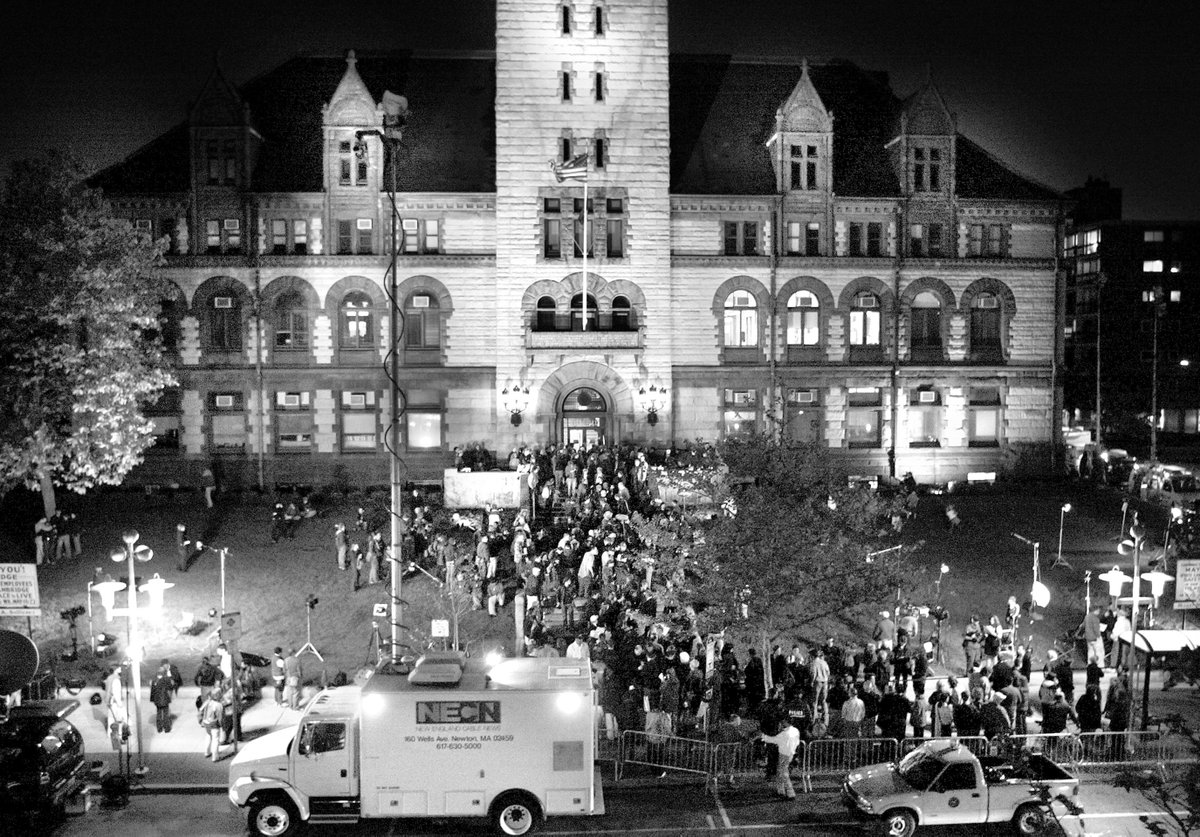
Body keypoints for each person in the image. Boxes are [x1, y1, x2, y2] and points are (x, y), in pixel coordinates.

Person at [759, 717, 800, 799]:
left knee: (784, 773)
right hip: (791, 753)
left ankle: (790, 793)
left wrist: (762, 736)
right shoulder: (795, 730)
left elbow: (772, 740)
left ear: (786, 723)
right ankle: (780, 791)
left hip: (784, 754)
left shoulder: (784, 734)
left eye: (783, 722)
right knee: (780, 772)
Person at [198, 687, 223, 762]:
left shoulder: (207, 702)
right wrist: (221, 725)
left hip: (206, 723)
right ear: (218, 695)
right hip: (214, 724)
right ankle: (215, 757)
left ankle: (207, 752)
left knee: (208, 736)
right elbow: (220, 717)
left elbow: (200, 710)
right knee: (215, 739)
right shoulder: (218, 705)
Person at [150, 660, 175, 733]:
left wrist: (153, 699)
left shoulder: (154, 678)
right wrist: (170, 677)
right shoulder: (166, 678)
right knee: (165, 714)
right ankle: (167, 728)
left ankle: (159, 729)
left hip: (157, 699)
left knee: (158, 714)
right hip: (164, 698)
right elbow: (170, 686)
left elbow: (152, 690)